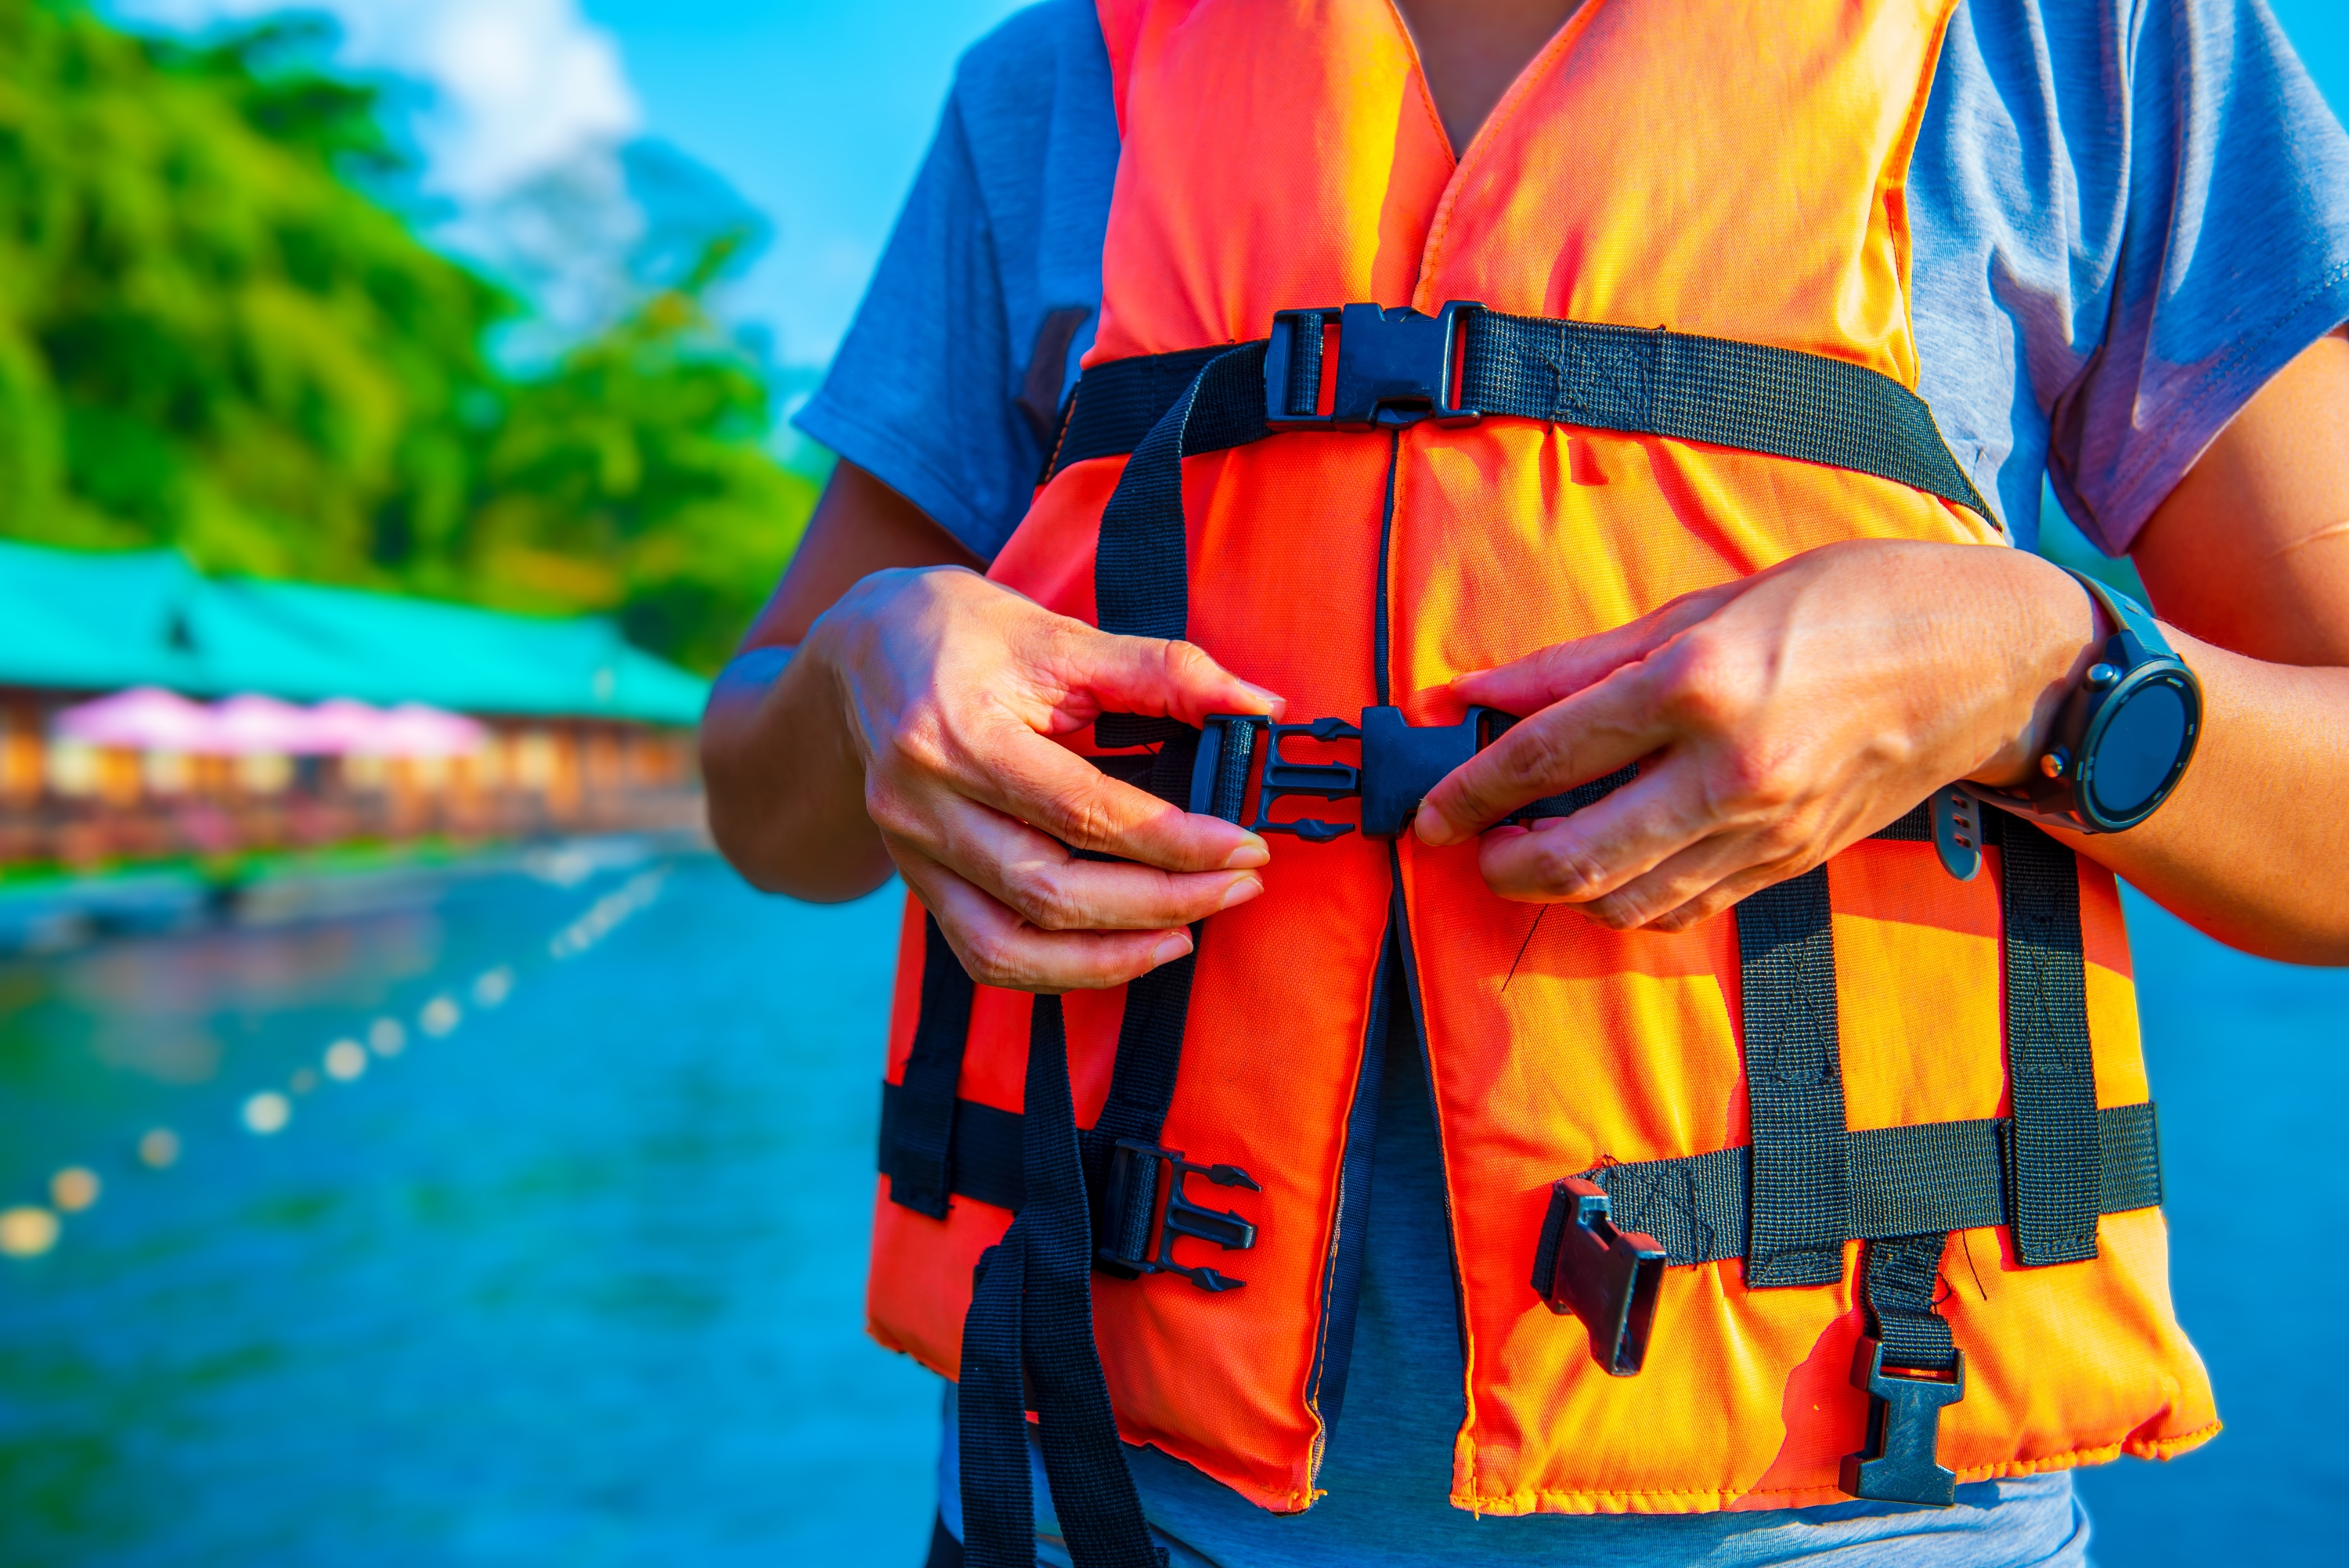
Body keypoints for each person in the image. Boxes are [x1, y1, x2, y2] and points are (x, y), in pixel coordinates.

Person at [702, 1, 2349, 1563]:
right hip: (1091, 1511)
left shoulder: (2085, 42)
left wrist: (2040, 675)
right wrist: (857, 672)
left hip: (1871, 1497)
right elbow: (766, 813)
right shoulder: (1062, 78)